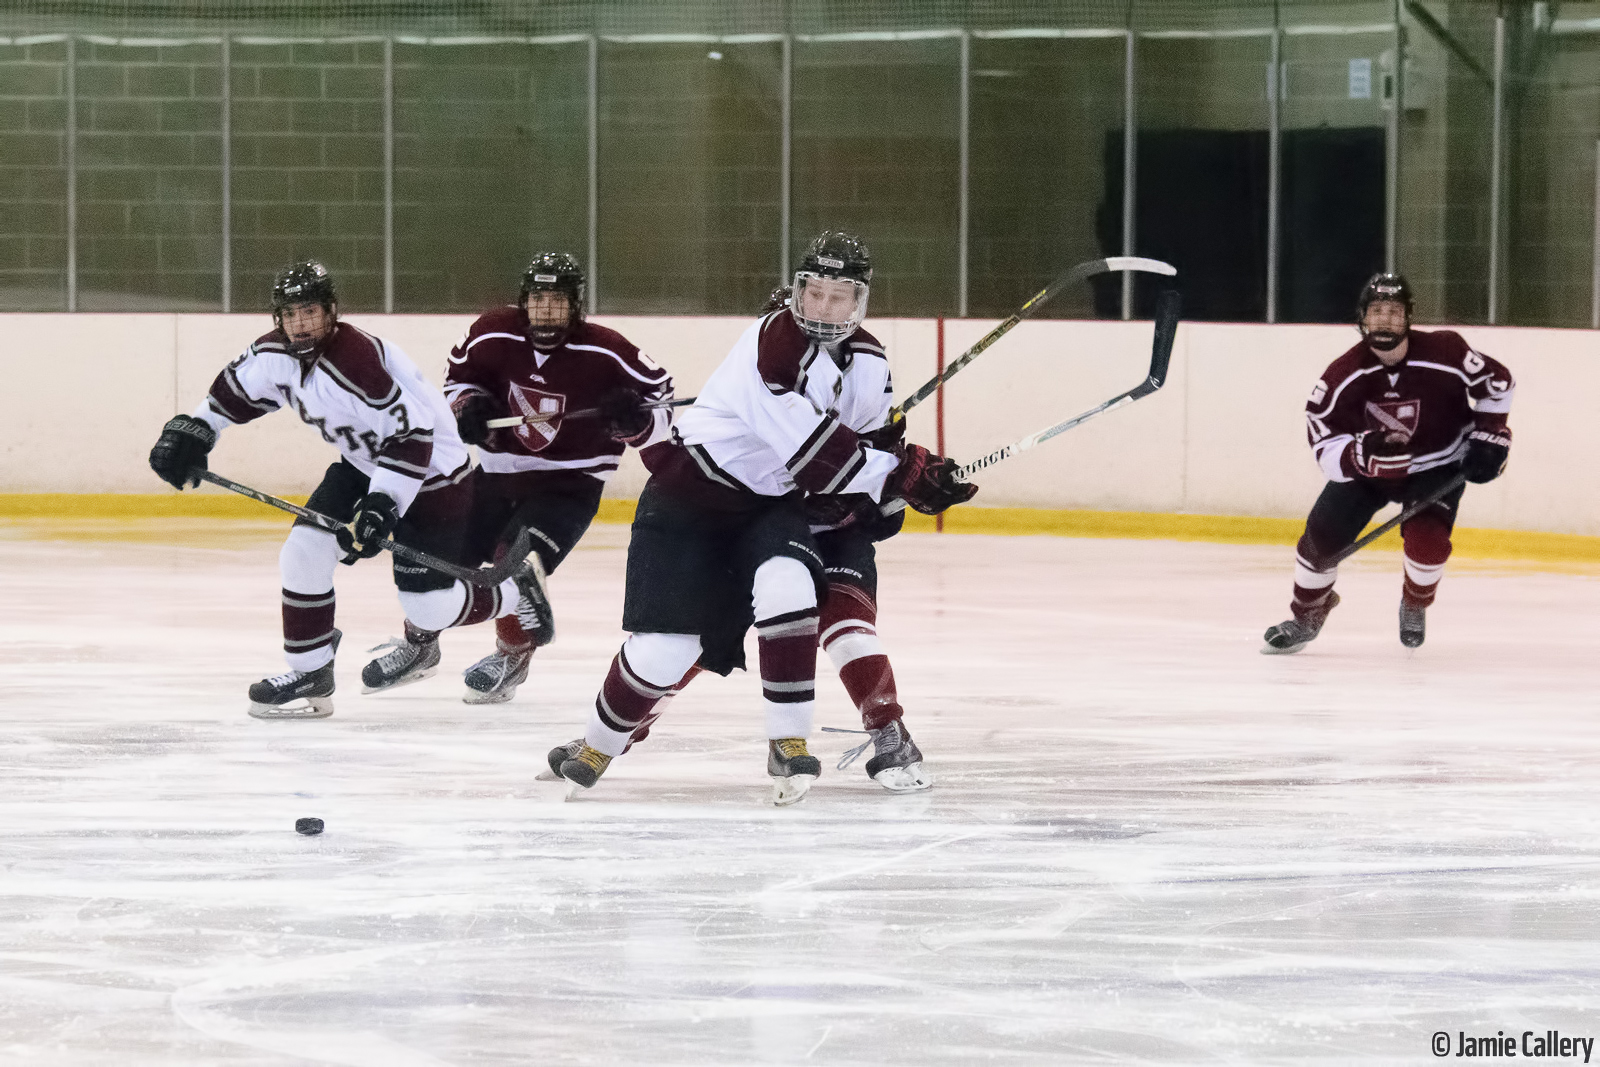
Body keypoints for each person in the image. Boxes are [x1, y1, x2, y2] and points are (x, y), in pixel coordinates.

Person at [544, 231, 975, 804]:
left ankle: (790, 743)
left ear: (860, 300)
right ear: (797, 291)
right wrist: (898, 475)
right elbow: (817, 453)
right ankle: (608, 735)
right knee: (676, 646)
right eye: (814, 292)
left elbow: (870, 444)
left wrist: (900, 486)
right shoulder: (771, 346)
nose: (823, 307)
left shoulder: (868, 360)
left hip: (772, 507)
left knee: (791, 592)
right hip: (700, 502)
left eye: (838, 296)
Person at [147, 261, 549, 718]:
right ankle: (310, 672)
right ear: (278, 318)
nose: (301, 323)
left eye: (311, 312)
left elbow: (412, 436)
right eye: (291, 314)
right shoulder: (273, 354)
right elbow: (230, 397)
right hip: (362, 465)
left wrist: (382, 506)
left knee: (431, 608)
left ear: (331, 312)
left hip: (433, 476)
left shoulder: (356, 363)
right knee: (303, 553)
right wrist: (193, 432)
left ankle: (518, 590)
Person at [364, 252, 674, 704]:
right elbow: (456, 381)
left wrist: (633, 420)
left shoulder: (608, 350)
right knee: (442, 557)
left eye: (557, 301)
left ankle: (513, 654)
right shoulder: (492, 332)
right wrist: (468, 408)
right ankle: (420, 644)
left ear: (576, 306)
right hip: (496, 474)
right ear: (523, 301)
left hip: (571, 484)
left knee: (516, 562)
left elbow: (661, 403)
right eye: (538, 299)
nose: (546, 310)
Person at [1262, 272, 1514, 653]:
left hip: (1437, 468)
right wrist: (1359, 456)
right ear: (1362, 317)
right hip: (1368, 475)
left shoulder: (1447, 351)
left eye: (1394, 312)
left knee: (1427, 546)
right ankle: (1306, 614)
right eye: (1376, 311)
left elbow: (1498, 385)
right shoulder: (1342, 375)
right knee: (1320, 543)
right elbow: (1323, 442)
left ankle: (1414, 602)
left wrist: (1490, 433)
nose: (1384, 320)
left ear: (1408, 317)